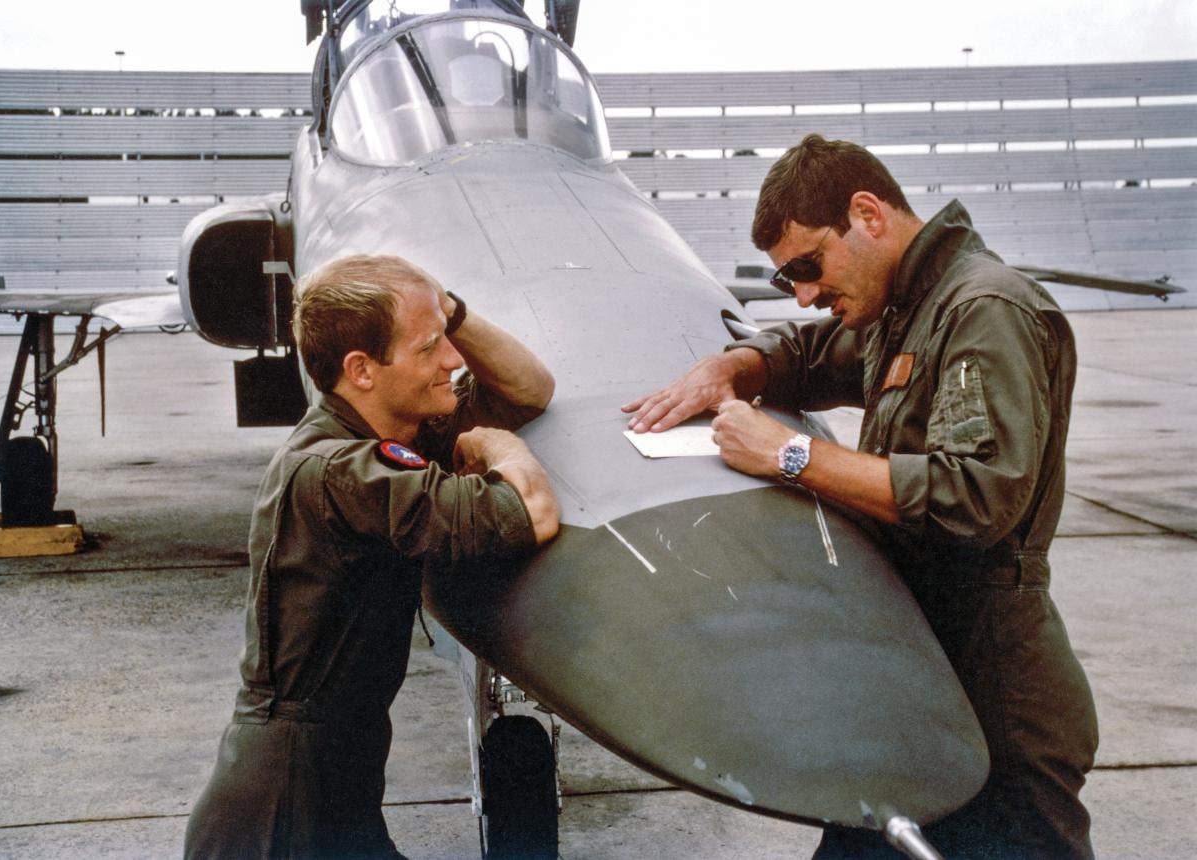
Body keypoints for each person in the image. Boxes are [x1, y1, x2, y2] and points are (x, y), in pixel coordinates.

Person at [623, 134, 1098, 859]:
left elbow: (974, 496)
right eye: (789, 283)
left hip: (995, 682)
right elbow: (814, 355)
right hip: (922, 663)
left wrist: (788, 455)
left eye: (808, 268)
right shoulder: (906, 308)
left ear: (868, 214)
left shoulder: (983, 309)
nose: (806, 294)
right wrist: (734, 365)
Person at [184, 254, 559, 860]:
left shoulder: (379, 441)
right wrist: (495, 444)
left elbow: (530, 388)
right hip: (284, 813)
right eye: (429, 346)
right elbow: (534, 511)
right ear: (362, 370)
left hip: (331, 788)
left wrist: (447, 306)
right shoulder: (344, 473)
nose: (454, 360)